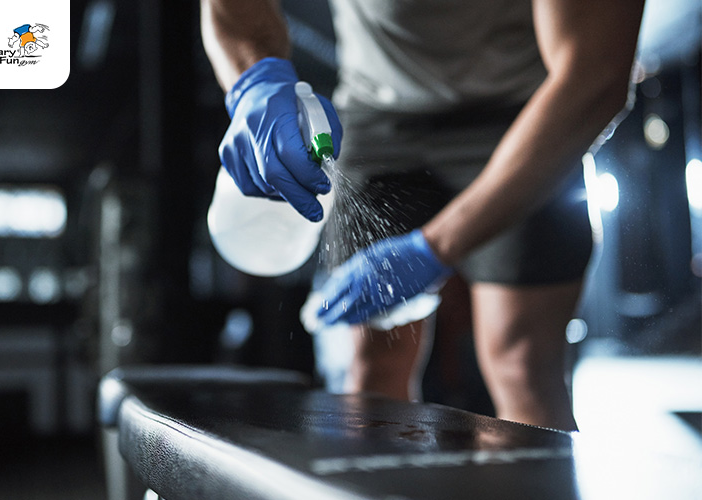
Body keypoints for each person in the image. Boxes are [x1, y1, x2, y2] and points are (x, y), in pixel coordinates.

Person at [200, 0, 644, 431]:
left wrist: (434, 248)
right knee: (370, 371)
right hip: (378, 113)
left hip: (525, 112)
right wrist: (255, 81)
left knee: (522, 365)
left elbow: (596, 75)